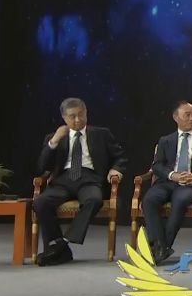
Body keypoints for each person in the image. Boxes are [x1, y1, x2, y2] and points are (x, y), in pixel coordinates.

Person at [34, 97, 127, 266]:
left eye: (81, 115)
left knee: (94, 199)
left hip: (89, 178)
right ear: (64, 118)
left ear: (86, 113)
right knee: (41, 202)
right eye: (72, 116)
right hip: (63, 180)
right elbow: (42, 167)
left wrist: (116, 169)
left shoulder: (101, 134)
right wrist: (53, 142)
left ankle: (62, 242)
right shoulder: (54, 137)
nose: (77, 120)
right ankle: (59, 249)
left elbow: (120, 157)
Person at [142, 100, 192, 264]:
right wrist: (173, 175)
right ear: (176, 117)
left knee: (180, 200)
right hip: (167, 182)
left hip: (191, 184)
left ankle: (162, 247)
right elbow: (157, 165)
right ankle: (160, 246)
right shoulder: (166, 140)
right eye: (187, 115)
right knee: (149, 200)